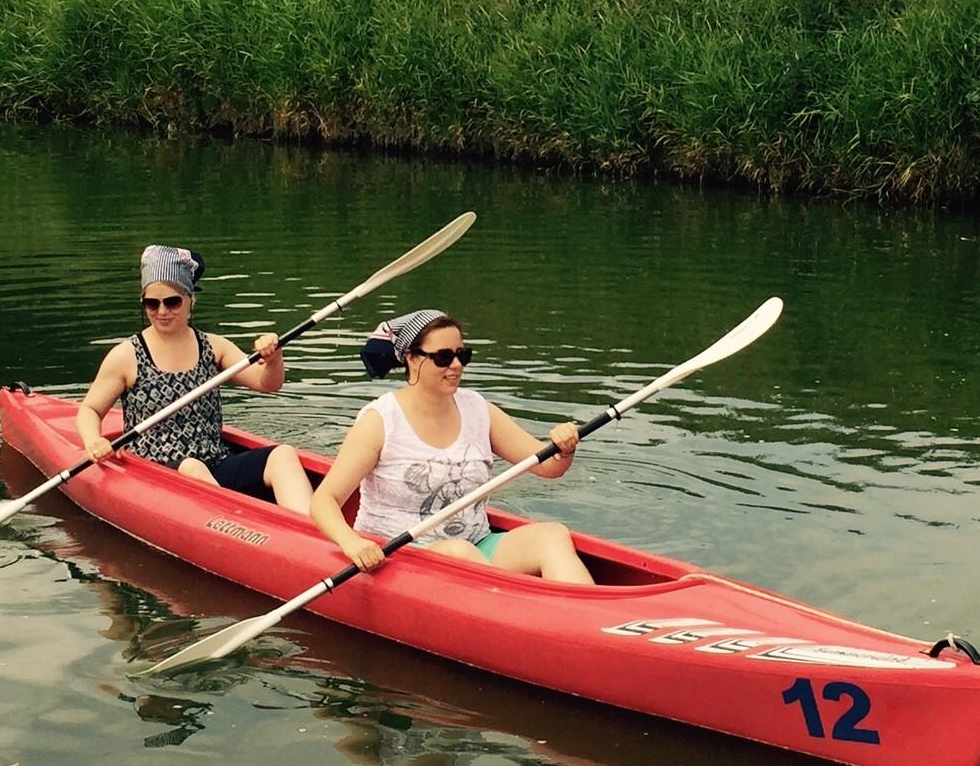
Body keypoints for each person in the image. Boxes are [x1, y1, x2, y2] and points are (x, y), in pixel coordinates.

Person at [310, 309, 592, 581]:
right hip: (399, 557)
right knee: (460, 553)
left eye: (462, 355)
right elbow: (324, 501)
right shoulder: (380, 421)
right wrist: (353, 545)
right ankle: (523, 615)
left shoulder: (479, 410)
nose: (456, 365)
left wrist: (564, 448)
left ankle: (587, 622)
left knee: (552, 534)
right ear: (412, 359)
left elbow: (548, 468)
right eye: (443, 357)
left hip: (475, 544)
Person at [75, 244, 312, 513]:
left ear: (190, 299)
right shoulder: (126, 355)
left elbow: (267, 383)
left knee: (283, 455)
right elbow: (90, 409)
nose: (162, 311)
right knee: (192, 467)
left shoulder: (214, 347)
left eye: (172, 301)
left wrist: (273, 357)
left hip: (215, 460)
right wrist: (94, 441)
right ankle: (239, 526)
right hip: (156, 471)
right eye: (152, 303)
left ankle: (312, 533)